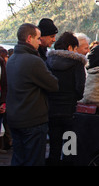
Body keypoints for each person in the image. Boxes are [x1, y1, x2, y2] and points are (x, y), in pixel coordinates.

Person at [6, 23, 59, 166]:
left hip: (15, 119)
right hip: (32, 121)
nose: (40, 41)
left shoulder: (11, 60)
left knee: (18, 159)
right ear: (29, 38)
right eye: (38, 38)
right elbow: (53, 85)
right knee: (34, 161)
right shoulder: (34, 61)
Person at [45, 32, 87, 165]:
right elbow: (80, 88)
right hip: (70, 112)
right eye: (75, 48)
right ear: (70, 47)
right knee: (69, 150)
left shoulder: (48, 61)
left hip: (51, 112)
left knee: (54, 149)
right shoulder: (77, 63)